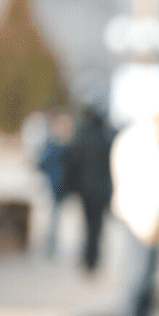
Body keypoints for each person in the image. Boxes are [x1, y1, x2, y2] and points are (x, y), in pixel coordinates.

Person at [110, 109, 159, 316]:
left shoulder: (155, 141)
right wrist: (147, 221)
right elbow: (137, 186)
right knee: (137, 274)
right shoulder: (140, 142)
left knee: (148, 274)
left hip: (152, 218)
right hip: (142, 218)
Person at [61, 103, 114, 274]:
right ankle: (93, 259)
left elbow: (72, 162)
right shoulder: (106, 138)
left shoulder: (82, 136)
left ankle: (86, 258)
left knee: (86, 224)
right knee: (97, 226)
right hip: (101, 190)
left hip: (85, 189)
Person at [37, 109, 75, 261]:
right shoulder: (53, 144)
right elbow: (43, 163)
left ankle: (52, 246)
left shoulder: (65, 144)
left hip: (61, 186)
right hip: (53, 185)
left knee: (56, 218)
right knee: (52, 217)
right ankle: (49, 246)